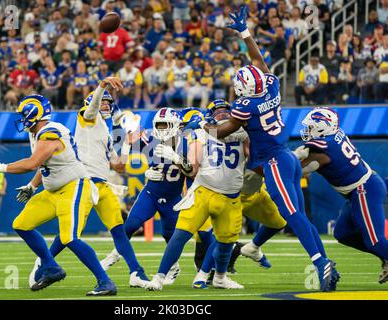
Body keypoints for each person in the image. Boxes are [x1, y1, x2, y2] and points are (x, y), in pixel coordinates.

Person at [184, 7, 339, 292]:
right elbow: (258, 59)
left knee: (291, 215)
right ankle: (322, 259)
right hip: (284, 157)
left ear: (243, 90)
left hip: (272, 162)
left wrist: (200, 125)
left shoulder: (246, 105)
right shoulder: (271, 85)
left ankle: (320, 263)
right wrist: (245, 32)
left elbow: (224, 131)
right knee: (297, 215)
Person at [0, 94, 117, 295]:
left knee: (69, 238)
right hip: (53, 191)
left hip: (74, 187)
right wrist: (31, 186)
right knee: (21, 224)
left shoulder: (50, 132)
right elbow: (44, 164)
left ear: (34, 113)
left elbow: (32, 162)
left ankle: (106, 282)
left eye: (24, 114)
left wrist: (2, 166)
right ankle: (51, 266)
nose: (21, 118)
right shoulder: (38, 133)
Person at [29, 77, 149, 289]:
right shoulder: (87, 117)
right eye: (101, 101)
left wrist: (129, 145)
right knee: (69, 235)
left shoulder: (106, 131)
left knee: (118, 230)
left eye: (107, 102)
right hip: (82, 184)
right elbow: (93, 107)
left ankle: (136, 272)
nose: (105, 104)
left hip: (101, 185)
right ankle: (43, 263)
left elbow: (119, 166)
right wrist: (102, 86)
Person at [145, 100, 249, 291]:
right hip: (204, 191)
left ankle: (217, 277)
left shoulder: (242, 133)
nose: (222, 114)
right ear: (209, 115)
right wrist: (176, 158)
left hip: (230, 195)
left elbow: (251, 157)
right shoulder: (201, 135)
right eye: (217, 112)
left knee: (225, 241)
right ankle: (159, 277)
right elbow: (191, 171)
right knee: (181, 233)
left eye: (226, 111)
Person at [297, 107, 388, 284]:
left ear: (322, 128)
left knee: (375, 242)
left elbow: (299, 168)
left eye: (310, 127)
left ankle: (385, 254)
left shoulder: (324, 151)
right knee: (343, 233)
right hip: (359, 190)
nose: (307, 131)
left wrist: (288, 159)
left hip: (364, 189)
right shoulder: (333, 136)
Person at [102, 107, 192, 285]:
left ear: (175, 125)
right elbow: (124, 141)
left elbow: (192, 172)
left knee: (170, 236)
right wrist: (147, 172)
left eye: (166, 124)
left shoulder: (187, 143)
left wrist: (177, 158)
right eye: (159, 124)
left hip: (173, 197)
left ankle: (173, 267)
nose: (162, 128)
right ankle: (114, 254)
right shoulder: (151, 138)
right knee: (130, 226)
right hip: (151, 193)